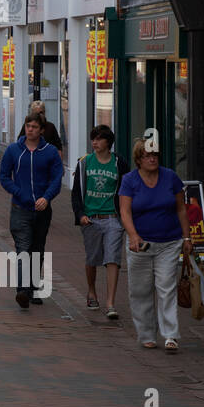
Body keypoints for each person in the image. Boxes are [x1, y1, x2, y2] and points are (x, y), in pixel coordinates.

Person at [119, 141, 193, 352]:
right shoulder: (129, 180)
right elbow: (125, 212)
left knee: (166, 287)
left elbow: (181, 209)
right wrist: (133, 236)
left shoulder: (170, 177)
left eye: (155, 155)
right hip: (141, 245)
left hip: (169, 242)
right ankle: (146, 334)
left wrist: (187, 239)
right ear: (138, 160)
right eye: (147, 156)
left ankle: (170, 335)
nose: (152, 159)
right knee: (140, 290)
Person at [0, 113, 64, 309]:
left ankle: (33, 288)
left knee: (37, 249)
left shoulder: (50, 152)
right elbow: (4, 177)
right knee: (23, 249)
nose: (30, 129)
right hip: (20, 208)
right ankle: (23, 291)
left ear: (42, 130)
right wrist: (19, 193)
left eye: (35, 127)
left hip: (43, 209)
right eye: (28, 126)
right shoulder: (13, 150)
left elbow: (56, 179)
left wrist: (46, 197)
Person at [71, 124, 131, 319]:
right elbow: (76, 193)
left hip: (113, 218)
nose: (94, 142)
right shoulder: (85, 163)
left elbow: (126, 189)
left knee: (112, 258)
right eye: (93, 138)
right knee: (92, 258)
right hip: (91, 219)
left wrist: (125, 215)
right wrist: (80, 215)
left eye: (99, 139)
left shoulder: (118, 163)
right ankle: (91, 290)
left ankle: (110, 303)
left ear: (108, 142)